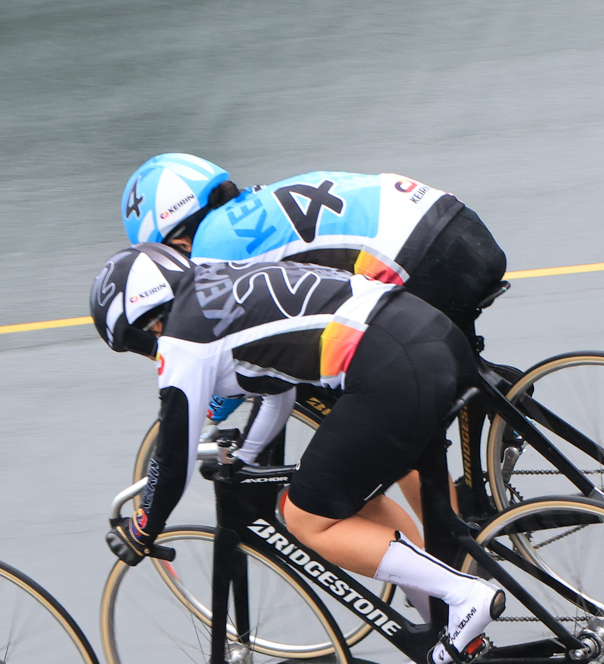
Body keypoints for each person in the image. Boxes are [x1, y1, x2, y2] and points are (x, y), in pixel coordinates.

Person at [90, 242, 504, 664]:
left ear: (144, 322)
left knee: (305, 515)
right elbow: (277, 388)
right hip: (429, 334)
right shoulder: (219, 279)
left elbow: (172, 456)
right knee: (347, 500)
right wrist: (245, 460)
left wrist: (142, 529)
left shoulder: (182, 339)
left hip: (391, 370)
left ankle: (463, 595)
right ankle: (440, 628)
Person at [119, 153, 510, 506]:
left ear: (177, 239)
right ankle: (502, 410)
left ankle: (449, 532)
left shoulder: (209, 254)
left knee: (378, 408)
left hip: (424, 261)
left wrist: (208, 414)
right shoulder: (251, 202)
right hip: (452, 222)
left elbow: (228, 349)